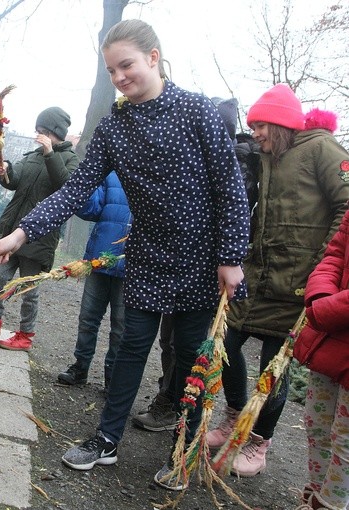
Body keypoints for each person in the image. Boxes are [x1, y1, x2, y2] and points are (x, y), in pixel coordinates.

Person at [0, 19, 250, 491]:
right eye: (111, 70)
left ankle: (182, 452)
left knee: (191, 362)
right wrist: (22, 233)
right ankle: (105, 440)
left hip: (200, 262)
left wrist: (230, 256)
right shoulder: (115, 128)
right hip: (144, 258)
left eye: (126, 65)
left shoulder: (197, 112)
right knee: (127, 351)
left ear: (153, 57)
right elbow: (75, 190)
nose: (119, 76)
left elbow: (231, 189)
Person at [206, 86, 349, 477]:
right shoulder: (269, 157)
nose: (255, 133)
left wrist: (323, 263)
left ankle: (258, 443)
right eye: (251, 125)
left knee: (276, 364)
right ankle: (235, 416)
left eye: (260, 125)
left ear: (281, 123)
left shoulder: (322, 149)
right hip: (258, 277)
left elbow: (346, 204)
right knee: (226, 343)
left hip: (298, 285)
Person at [133, 97, 240, 432]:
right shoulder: (185, 157)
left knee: (200, 348)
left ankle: (190, 418)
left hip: (217, 272)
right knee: (171, 341)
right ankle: (170, 399)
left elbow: (234, 212)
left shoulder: (234, 167)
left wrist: (230, 257)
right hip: (179, 268)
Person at [0, 107, 78, 351]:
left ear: (55, 133)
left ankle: (25, 335)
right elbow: (14, 181)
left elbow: (66, 187)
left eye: (42, 132)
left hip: (40, 238)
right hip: (11, 231)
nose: (37, 136)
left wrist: (51, 154)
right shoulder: (33, 154)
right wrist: (4, 171)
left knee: (28, 289)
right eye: (37, 131)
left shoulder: (70, 159)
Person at [294, 206, 349, 510]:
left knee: (345, 439)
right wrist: (319, 296)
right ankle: (316, 492)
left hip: (333, 320)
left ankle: (329, 504)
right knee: (317, 423)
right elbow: (335, 254)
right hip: (331, 334)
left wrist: (327, 310)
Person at [57, 172, 130, 391]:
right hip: (99, 259)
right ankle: (80, 367)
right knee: (88, 318)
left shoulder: (155, 174)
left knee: (121, 326)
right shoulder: (112, 174)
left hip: (132, 266)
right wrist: (83, 184)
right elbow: (91, 210)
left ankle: (113, 379)